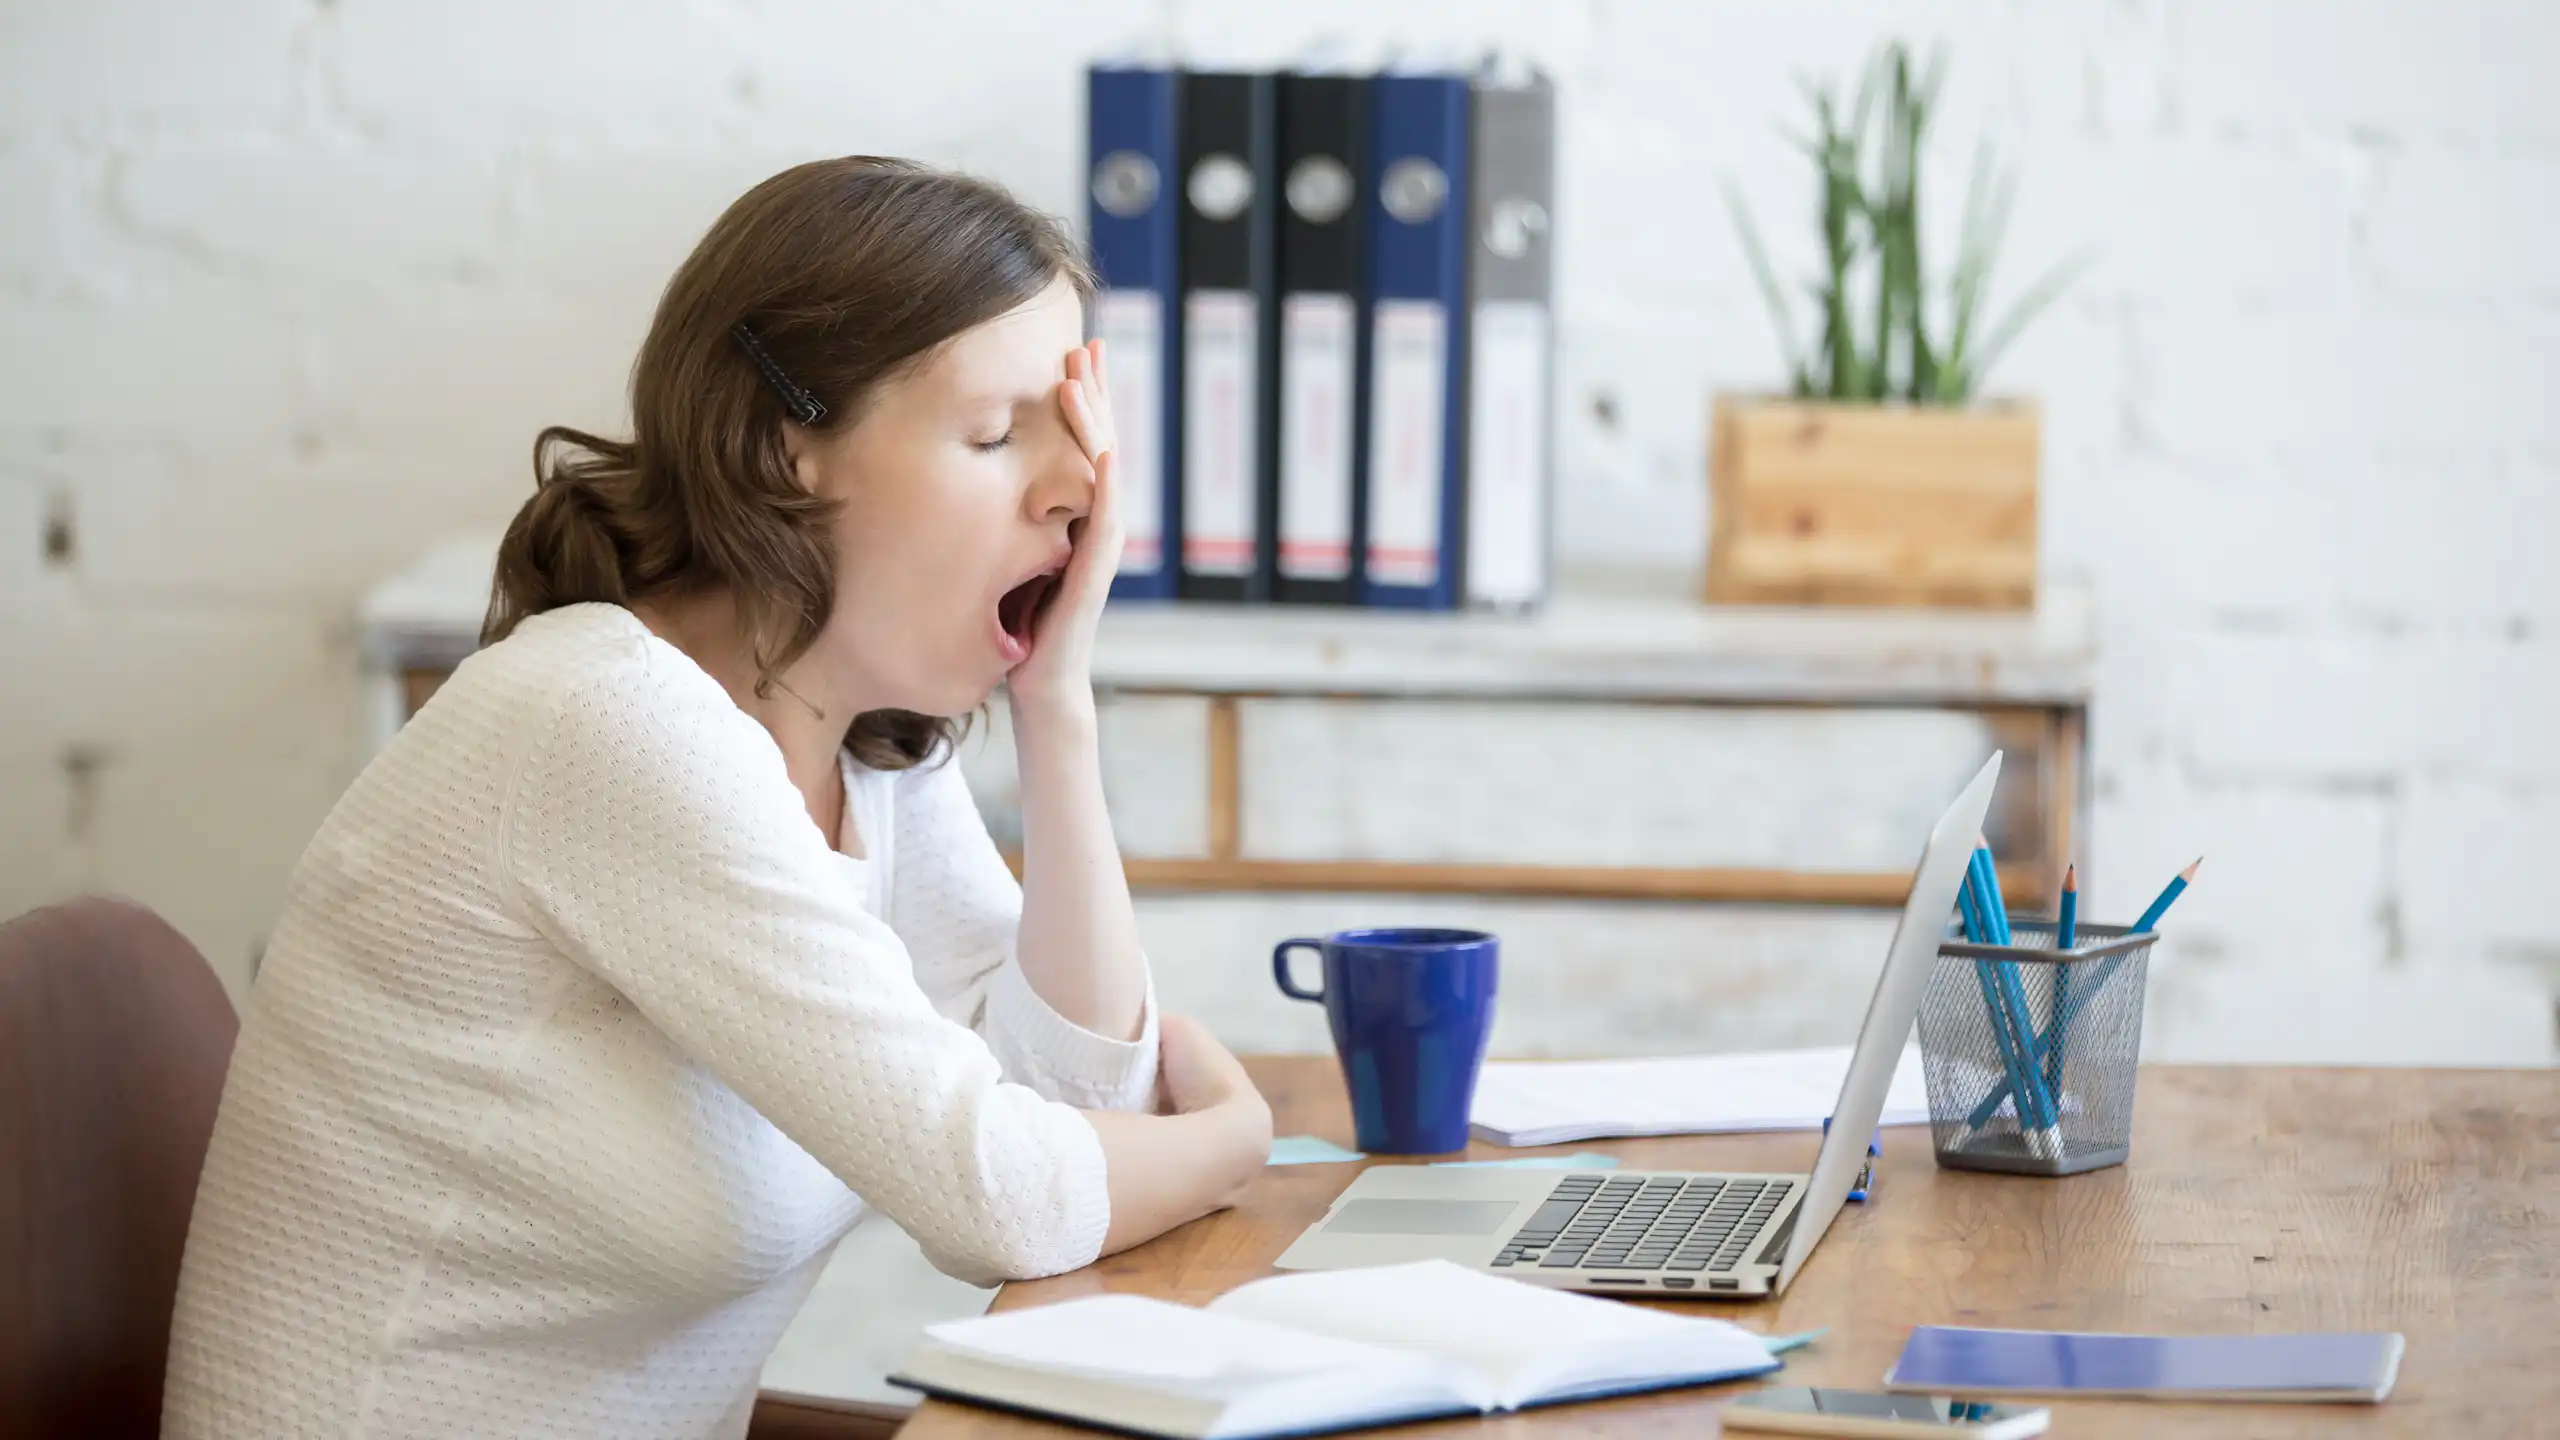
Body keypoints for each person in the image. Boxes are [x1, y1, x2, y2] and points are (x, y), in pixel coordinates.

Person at [162, 157, 1274, 1439]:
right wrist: (1233, 1141)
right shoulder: (613, 724)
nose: (1078, 492)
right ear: (777, 446)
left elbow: (1075, 1119)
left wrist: (1055, 707)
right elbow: (1006, 1198)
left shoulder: (860, 743)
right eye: (992, 434)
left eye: (1072, 432)